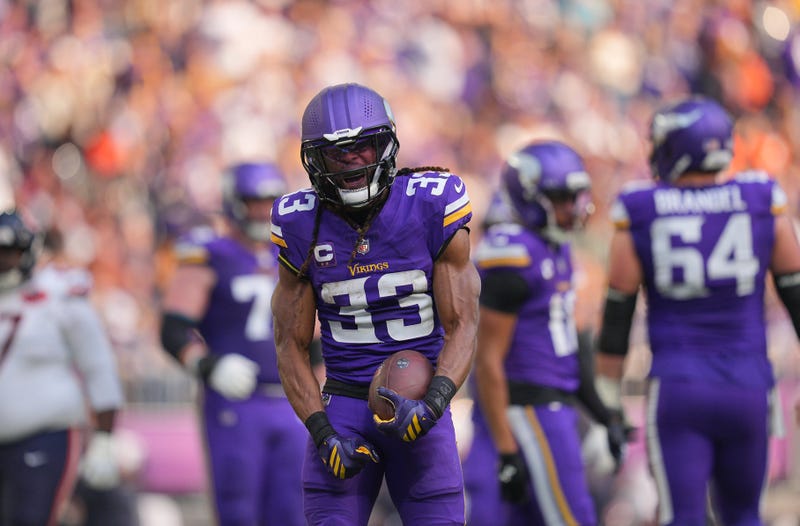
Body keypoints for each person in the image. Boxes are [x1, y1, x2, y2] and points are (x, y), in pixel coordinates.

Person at [269, 82, 480, 525]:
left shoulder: (430, 203)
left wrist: (435, 401)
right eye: (336, 152)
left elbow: (463, 322)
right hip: (343, 405)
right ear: (313, 159)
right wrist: (322, 433)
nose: (351, 160)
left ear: (385, 144)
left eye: (363, 147)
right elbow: (289, 344)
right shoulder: (300, 221)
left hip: (421, 401)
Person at [594, 95, 800, 526]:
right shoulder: (761, 197)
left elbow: (617, 318)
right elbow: (796, 295)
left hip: (680, 387)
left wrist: (607, 404)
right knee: (745, 516)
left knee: (681, 517)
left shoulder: (640, 209)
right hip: (749, 385)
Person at [462, 141, 629, 526]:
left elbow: (573, 349)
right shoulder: (513, 255)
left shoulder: (556, 249)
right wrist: (506, 448)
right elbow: (488, 360)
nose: (574, 208)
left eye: (575, 197)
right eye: (561, 198)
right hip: (529, 410)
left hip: (551, 405)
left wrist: (605, 416)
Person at [159, 162, 307, 526]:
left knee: (295, 511)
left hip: (292, 401)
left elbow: (314, 338)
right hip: (237, 402)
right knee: (239, 509)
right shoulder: (211, 253)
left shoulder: (296, 254)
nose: (262, 210)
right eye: (254, 201)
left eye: (270, 201)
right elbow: (173, 328)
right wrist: (208, 365)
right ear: (233, 202)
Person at [0, 210, 124, 526]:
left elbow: (98, 365)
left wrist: (105, 438)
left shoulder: (59, 293)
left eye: (10, 253)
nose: (3, 262)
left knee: (30, 519)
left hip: (45, 434)